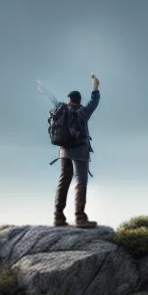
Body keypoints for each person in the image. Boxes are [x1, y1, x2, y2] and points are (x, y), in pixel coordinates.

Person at [54, 74, 100, 228]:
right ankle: (80, 218)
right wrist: (95, 87)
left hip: (64, 150)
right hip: (80, 151)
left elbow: (51, 99)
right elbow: (94, 102)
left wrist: (43, 89)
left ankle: (58, 217)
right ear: (79, 100)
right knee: (81, 182)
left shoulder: (62, 109)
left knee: (63, 181)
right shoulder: (83, 111)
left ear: (69, 100)